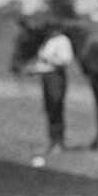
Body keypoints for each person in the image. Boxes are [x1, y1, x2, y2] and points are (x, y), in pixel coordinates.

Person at [26, 21, 74, 155]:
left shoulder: (63, 41)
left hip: (56, 78)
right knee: (49, 110)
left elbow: (65, 60)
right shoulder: (48, 41)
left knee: (56, 108)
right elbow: (43, 63)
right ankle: (52, 141)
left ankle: (59, 142)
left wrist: (48, 58)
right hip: (46, 77)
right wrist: (34, 69)